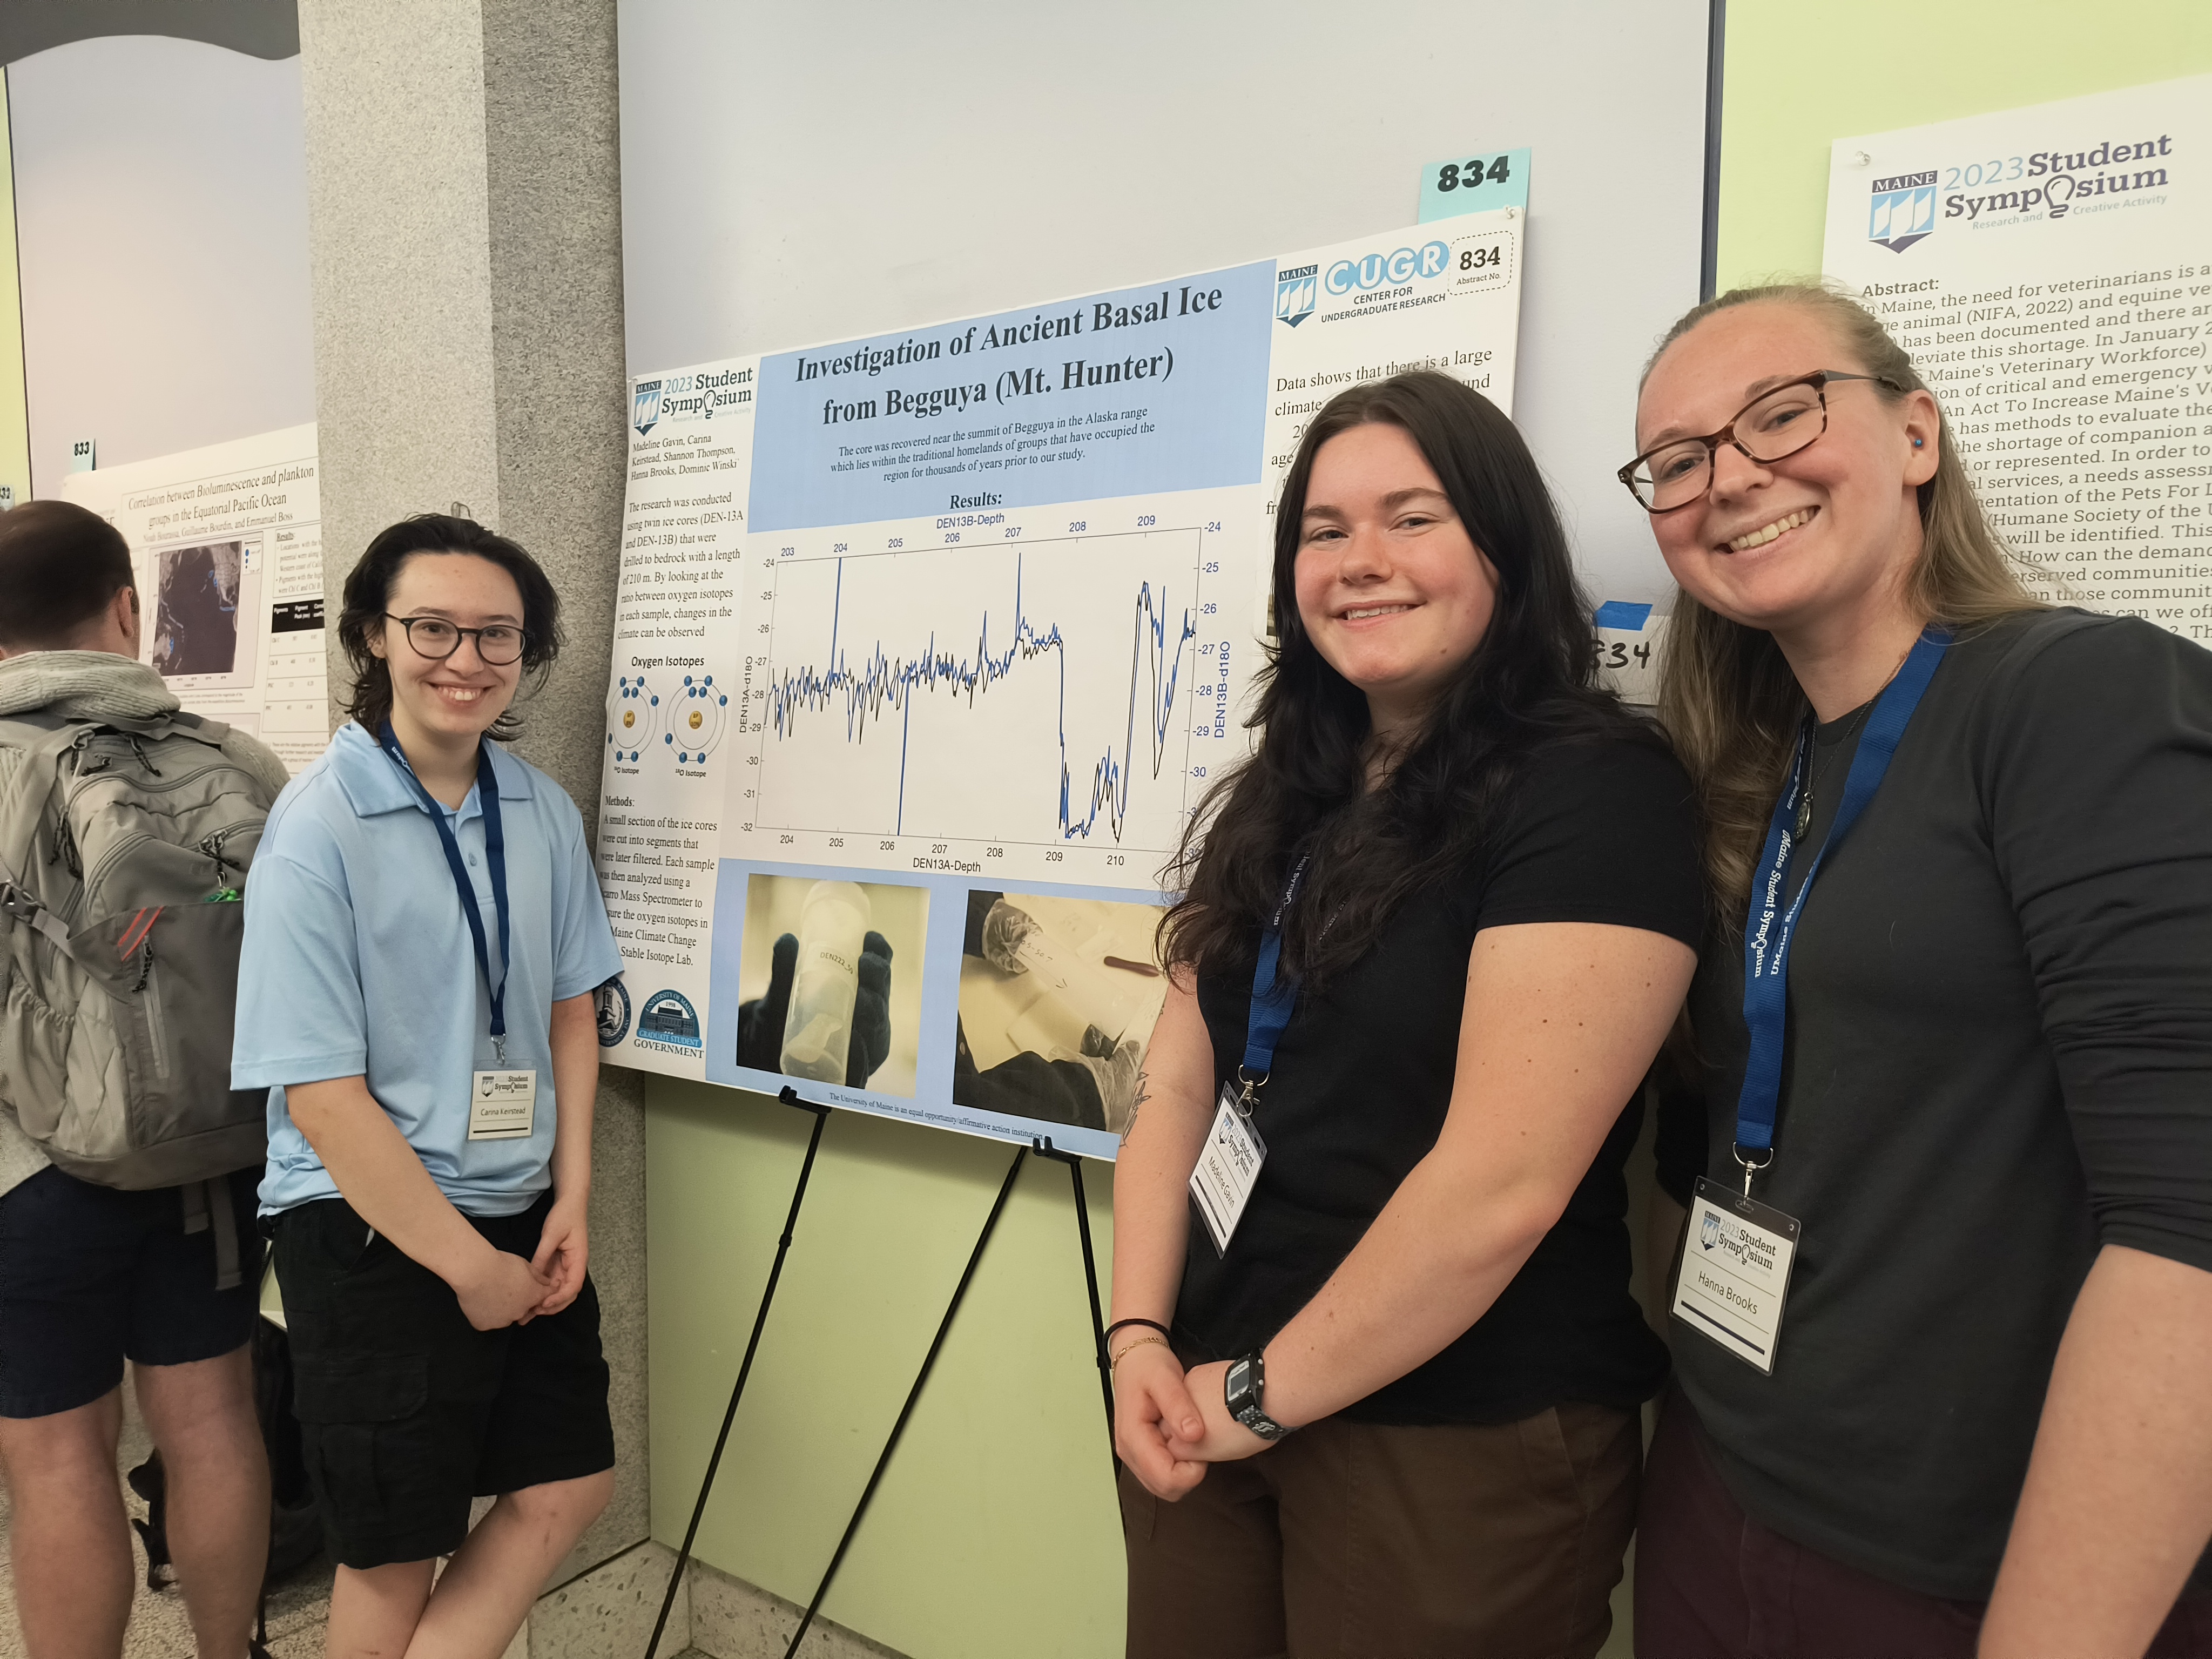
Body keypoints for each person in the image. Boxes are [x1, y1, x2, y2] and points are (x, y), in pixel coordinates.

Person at [1626, 284, 2212, 1657]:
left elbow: (2189, 1236)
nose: (1732, 477)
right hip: (1724, 1492)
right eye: (1677, 460)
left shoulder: (2076, 699)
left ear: (1914, 436)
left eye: (1781, 413)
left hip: (1974, 1565)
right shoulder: (1744, 768)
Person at [1109, 370, 1703, 1656]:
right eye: (1323, 532)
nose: (1358, 562)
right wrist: (1137, 1337)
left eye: (1410, 517)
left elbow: (1502, 1184)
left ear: (1501, 544)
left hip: (1452, 1440)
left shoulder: (1592, 793)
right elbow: (1177, 1085)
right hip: (1201, 1389)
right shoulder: (1281, 793)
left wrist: (1260, 1396)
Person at [233, 515, 623, 1659]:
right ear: (372, 637)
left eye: (496, 635)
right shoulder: (318, 828)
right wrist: (467, 1270)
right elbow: (322, 1099)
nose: (466, 661)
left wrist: (572, 1201)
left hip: (523, 1216)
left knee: (569, 1483)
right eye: (433, 630)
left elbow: (566, 1008)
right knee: (394, 1549)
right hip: (370, 1231)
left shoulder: (537, 810)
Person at [0, 501, 280, 1659]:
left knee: (56, 1452)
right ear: (128, 609)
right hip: (209, 1161)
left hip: (25, 1178)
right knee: (212, 1420)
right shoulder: (241, 760)